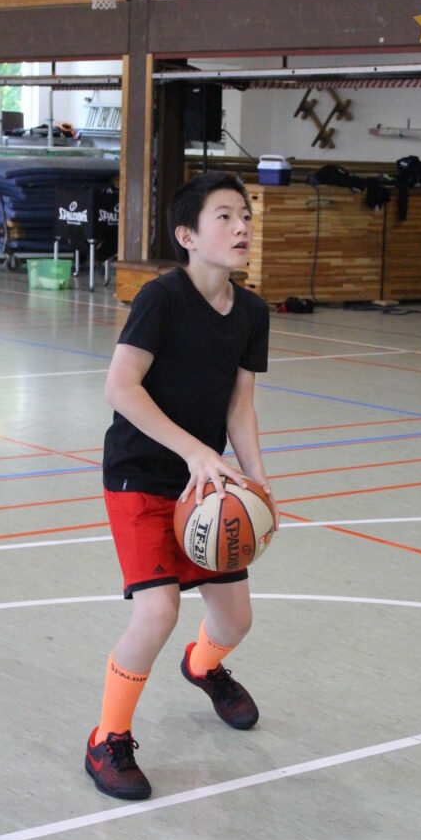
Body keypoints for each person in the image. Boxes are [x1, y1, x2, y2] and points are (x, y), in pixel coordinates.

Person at [85, 170, 279, 800]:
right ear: (187, 236)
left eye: (245, 215)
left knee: (236, 619)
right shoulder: (161, 299)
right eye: (225, 216)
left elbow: (240, 406)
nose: (242, 226)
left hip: (206, 486)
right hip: (140, 476)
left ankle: (202, 667)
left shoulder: (252, 312)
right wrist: (195, 450)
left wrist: (258, 480)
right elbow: (120, 388)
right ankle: (107, 740)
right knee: (158, 610)